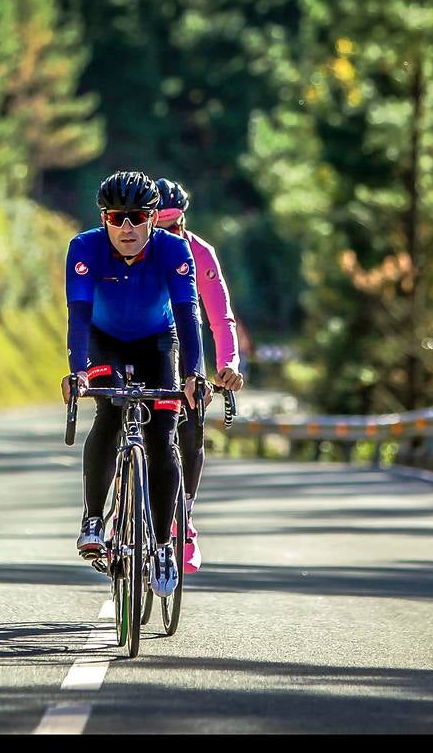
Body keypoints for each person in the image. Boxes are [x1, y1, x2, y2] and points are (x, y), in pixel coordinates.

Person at [61, 170, 206, 598]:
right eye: (116, 217)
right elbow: (78, 316)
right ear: (104, 218)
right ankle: (92, 517)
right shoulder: (84, 248)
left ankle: (163, 545)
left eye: (137, 217)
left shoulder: (174, 249)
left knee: (163, 436)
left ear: (152, 218)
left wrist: (195, 374)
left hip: (158, 340)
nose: (127, 228)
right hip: (104, 340)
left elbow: (188, 315)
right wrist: (79, 369)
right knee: (108, 412)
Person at [154, 178, 245, 573]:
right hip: (142, 344)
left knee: (190, 425)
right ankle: (121, 497)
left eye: (175, 226)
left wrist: (228, 364)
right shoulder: (130, 250)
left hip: (185, 352)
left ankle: (184, 514)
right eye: (159, 226)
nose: (168, 234)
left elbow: (220, 318)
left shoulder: (199, 253)